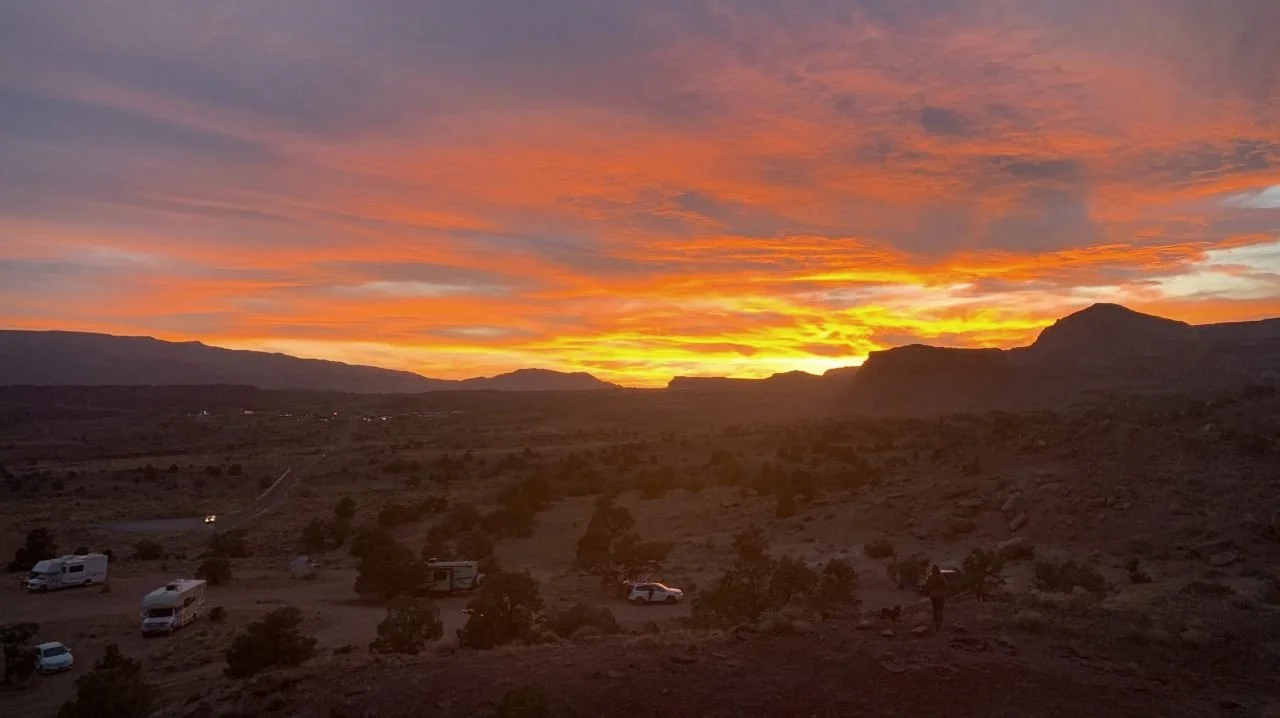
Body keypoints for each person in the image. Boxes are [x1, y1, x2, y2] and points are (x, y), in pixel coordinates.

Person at [925, 565, 948, 631]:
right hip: (941, 595)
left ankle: (936, 624)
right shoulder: (941, 577)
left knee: (935, 609)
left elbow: (927, 586)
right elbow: (945, 585)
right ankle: (939, 623)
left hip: (934, 595)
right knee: (940, 609)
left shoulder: (931, 577)